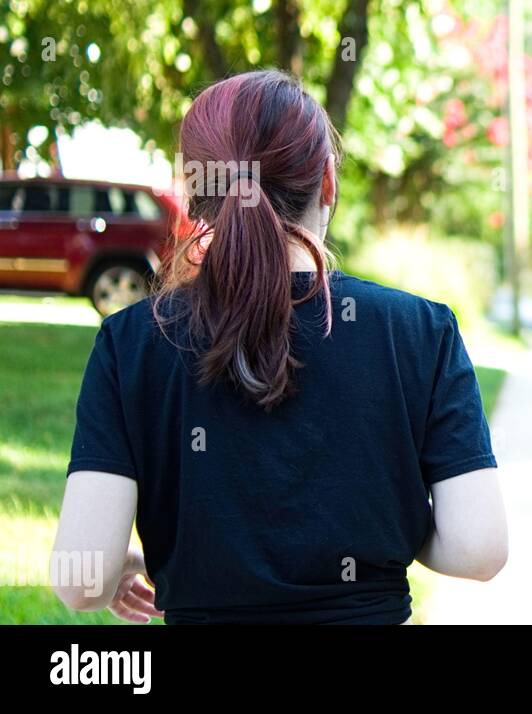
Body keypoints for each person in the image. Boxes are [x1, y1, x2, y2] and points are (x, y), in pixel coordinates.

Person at [51, 70, 507, 624]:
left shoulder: (131, 343)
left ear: (198, 196)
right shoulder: (419, 330)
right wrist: (395, 522)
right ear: (327, 183)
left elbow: (81, 582)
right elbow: (479, 548)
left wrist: (119, 564)